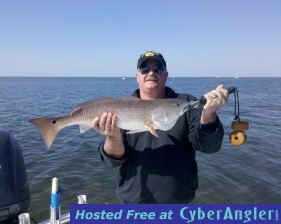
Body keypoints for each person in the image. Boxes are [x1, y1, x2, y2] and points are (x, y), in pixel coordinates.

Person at [92, 51, 229, 204]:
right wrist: (113, 137)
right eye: (144, 69)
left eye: (158, 68)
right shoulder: (122, 108)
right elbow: (111, 161)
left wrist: (209, 115)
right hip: (132, 204)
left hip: (178, 204)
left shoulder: (186, 104)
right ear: (137, 76)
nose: (151, 72)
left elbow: (209, 147)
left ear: (166, 74)